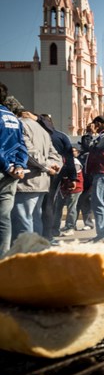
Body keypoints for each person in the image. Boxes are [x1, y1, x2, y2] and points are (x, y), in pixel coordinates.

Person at [6, 99, 61, 242]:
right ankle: (36, 252)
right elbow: (54, 154)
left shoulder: (19, 125)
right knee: (35, 218)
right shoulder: (40, 128)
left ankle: (27, 255)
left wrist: (48, 166)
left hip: (26, 182)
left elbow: (29, 153)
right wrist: (53, 165)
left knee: (23, 221)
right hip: (41, 181)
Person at [37, 113, 76, 240]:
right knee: (49, 203)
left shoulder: (37, 135)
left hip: (36, 172)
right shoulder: (61, 136)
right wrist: (72, 177)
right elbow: (69, 158)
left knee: (35, 204)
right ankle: (48, 234)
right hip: (55, 173)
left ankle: (37, 233)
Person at [0, 83, 27, 255]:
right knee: (4, 218)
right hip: (11, 175)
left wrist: (7, 165)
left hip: (4, 168)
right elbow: (22, 146)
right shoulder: (14, 118)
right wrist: (18, 165)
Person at [85, 116, 104, 240]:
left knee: (99, 203)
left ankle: (103, 234)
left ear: (98, 123)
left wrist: (90, 134)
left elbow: (91, 147)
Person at [55, 146, 83, 236]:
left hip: (74, 187)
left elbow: (70, 174)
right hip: (63, 188)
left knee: (71, 208)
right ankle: (56, 227)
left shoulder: (74, 162)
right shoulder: (63, 160)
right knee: (58, 207)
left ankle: (70, 227)